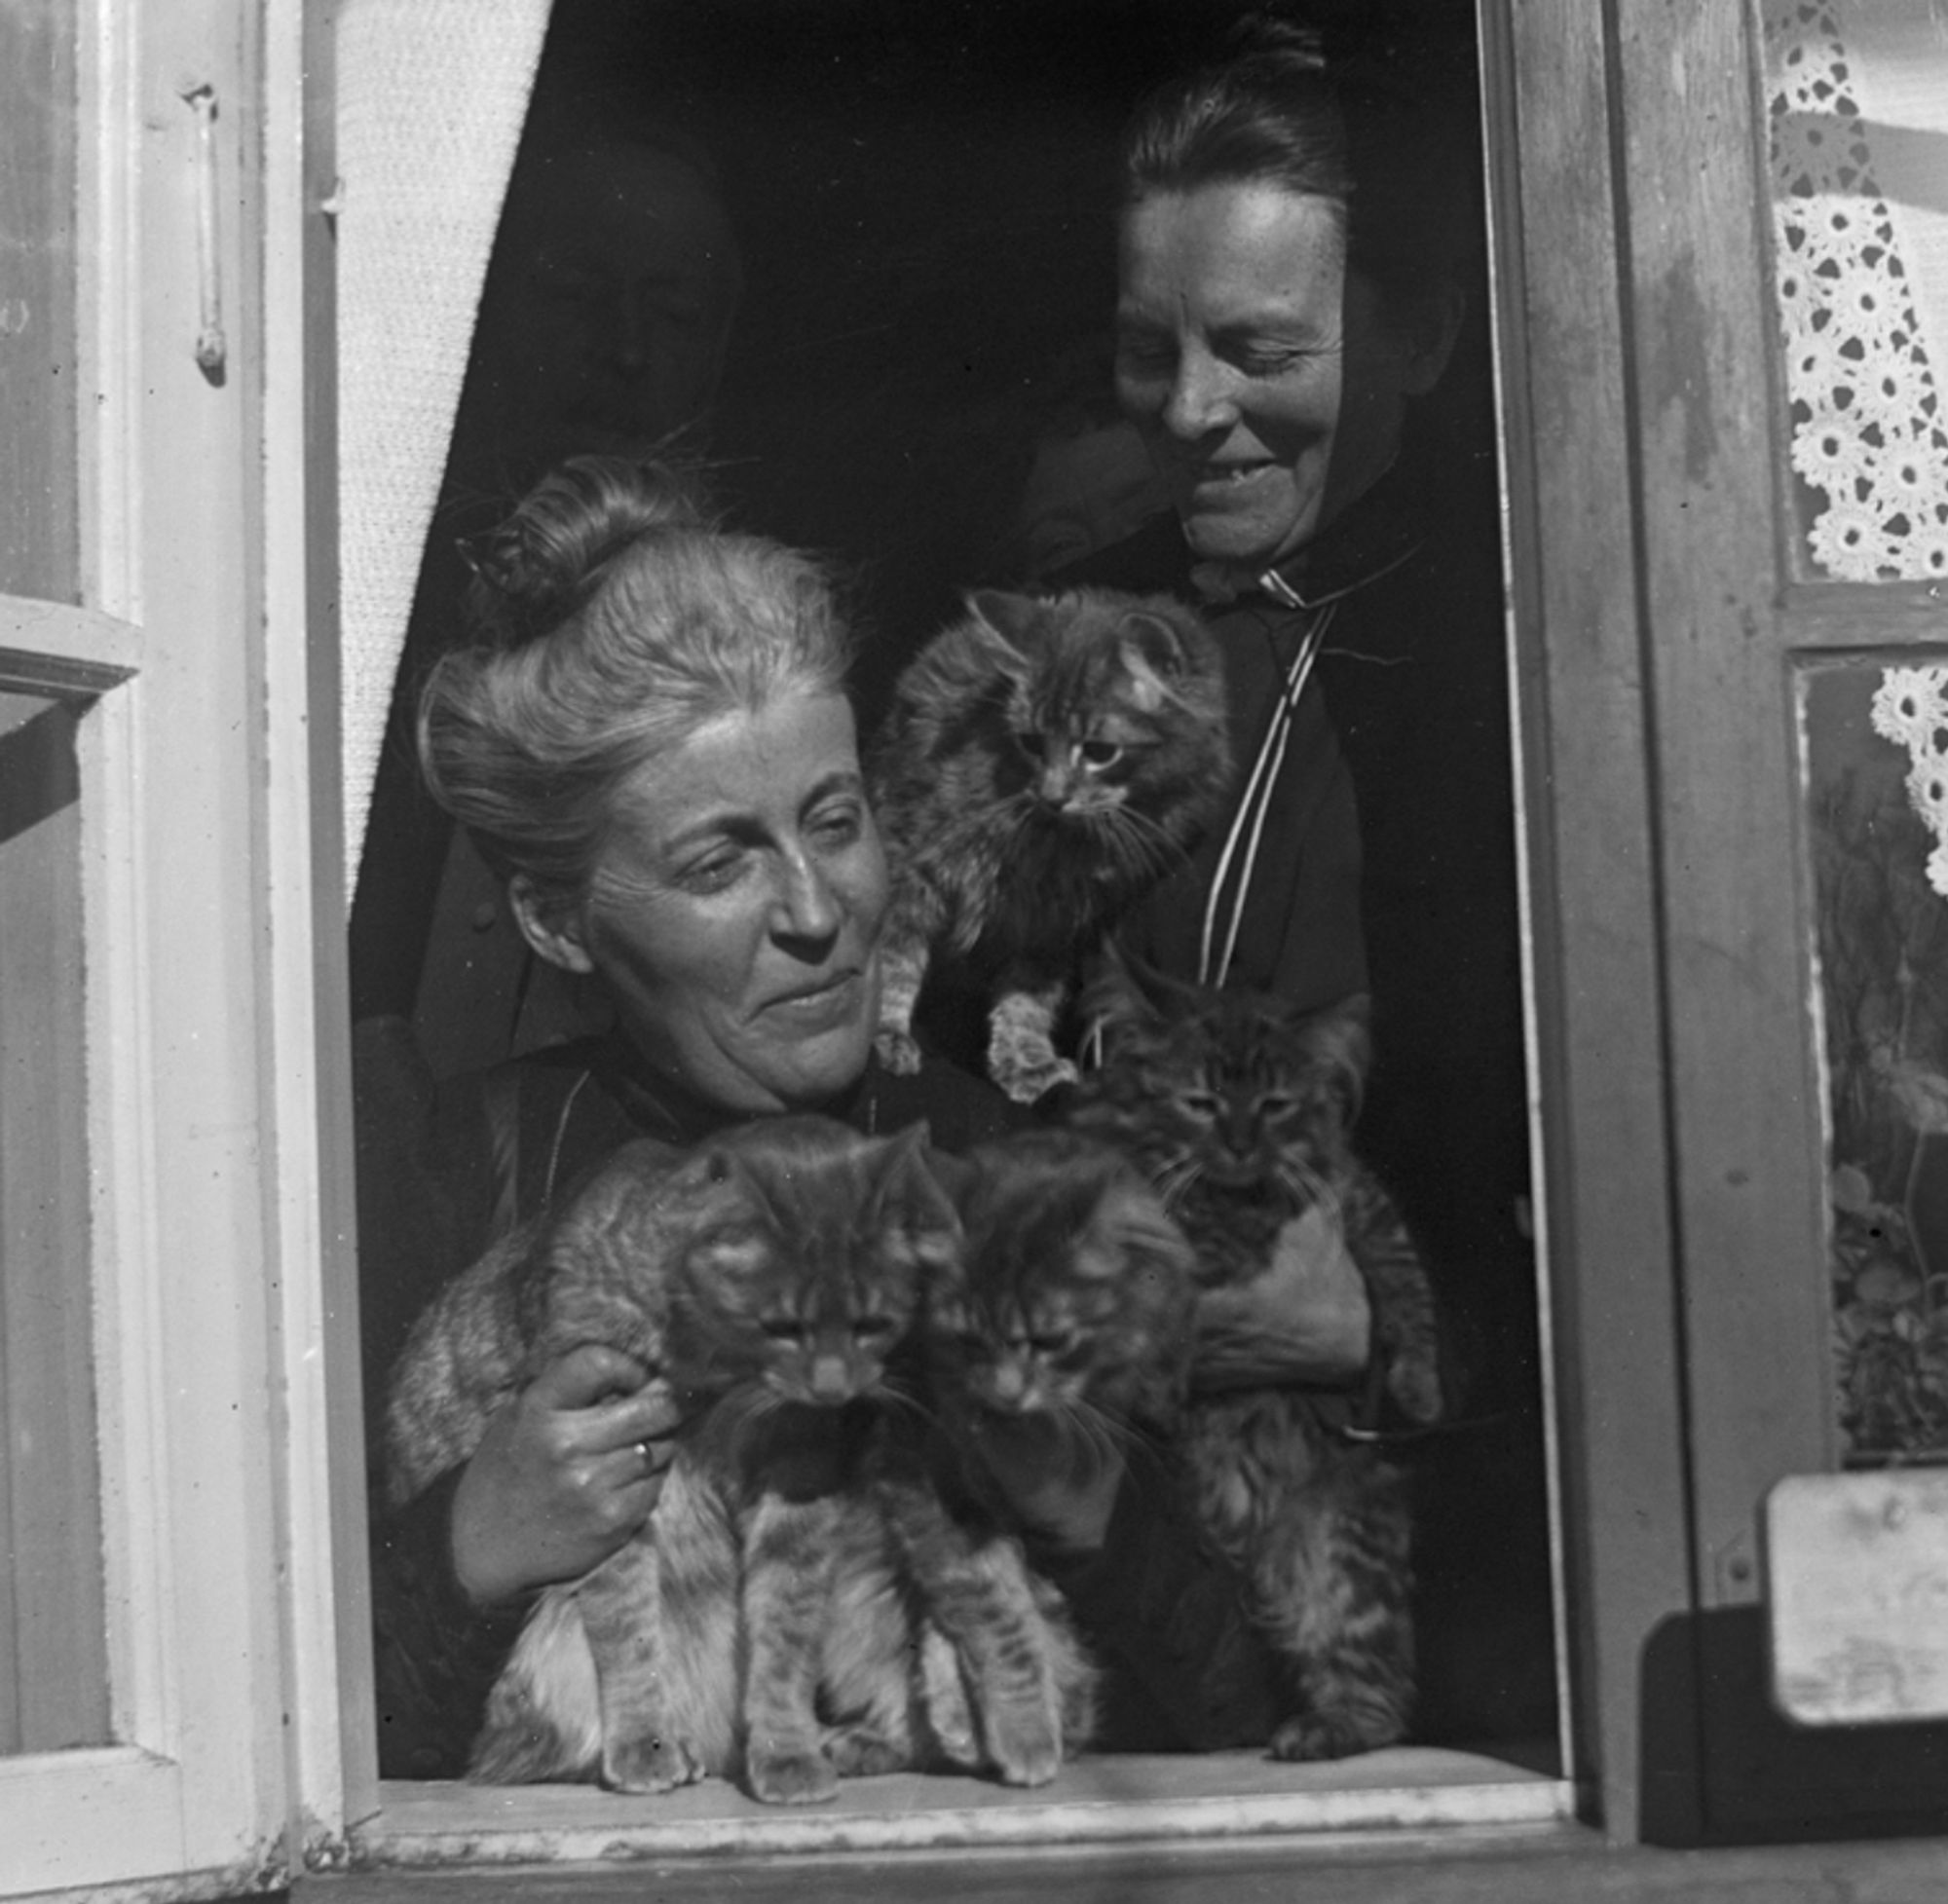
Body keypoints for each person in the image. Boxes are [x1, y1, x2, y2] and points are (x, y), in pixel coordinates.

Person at [358, 455, 1375, 1778]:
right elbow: (274, 1768)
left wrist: (1078, 1495)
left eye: (835, 821)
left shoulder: (1023, 1170)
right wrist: (465, 1544)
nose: (818, 911)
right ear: (559, 920)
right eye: (721, 859)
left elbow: (1270, 1718)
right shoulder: (456, 1177)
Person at [1065, 14, 1553, 1741]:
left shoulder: (1544, 661)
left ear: (1421, 334)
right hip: (1112, 1561)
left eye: (1258, 349)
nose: (1191, 414)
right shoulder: (1071, 640)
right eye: (1150, 349)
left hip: (1463, 1585)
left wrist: (1390, 1318)